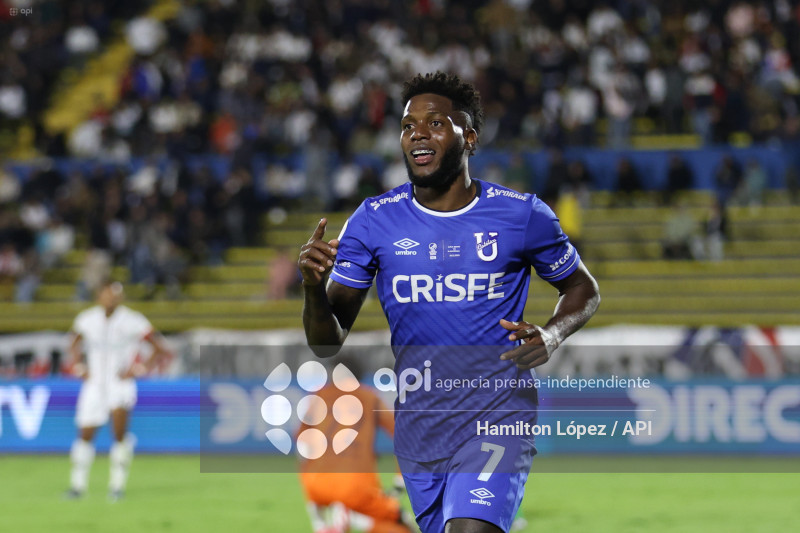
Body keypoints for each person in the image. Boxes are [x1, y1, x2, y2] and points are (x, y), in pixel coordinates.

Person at [298, 72, 600, 533]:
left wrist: (553, 332)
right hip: (421, 426)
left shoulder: (521, 215)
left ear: (470, 138)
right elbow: (325, 342)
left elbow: (583, 288)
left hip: (497, 415)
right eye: (408, 125)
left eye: (436, 122)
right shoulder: (372, 221)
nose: (418, 132)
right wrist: (313, 288)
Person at [65, 280, 172, 501]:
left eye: (116, 295)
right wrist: (79, 366)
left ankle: (117, 486)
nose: (111, 299)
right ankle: (77, 486)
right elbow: (74, 342)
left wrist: (140, 368)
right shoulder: (87, 319)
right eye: (107, 294)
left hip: (119, 383)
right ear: (99, 295)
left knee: (119, 434)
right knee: (85, 433)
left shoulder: (133, 320)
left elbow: (159, 347)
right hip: (94, 383)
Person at [298, 355, 414, 533]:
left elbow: (302, 444)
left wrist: (315, 511)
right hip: (355, 487)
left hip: (316, 486)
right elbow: (403, 436)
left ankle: (335, 521)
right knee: (403, 524)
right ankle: (352, 517)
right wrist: (399, 482)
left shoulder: (318, 396)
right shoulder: (368, 397)